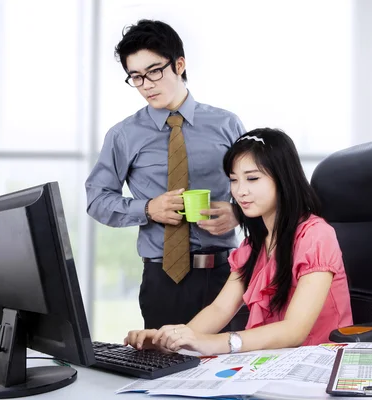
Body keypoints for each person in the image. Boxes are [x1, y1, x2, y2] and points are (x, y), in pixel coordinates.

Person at [124, 128, 353, 355]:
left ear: (283, 178)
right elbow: (220, 308)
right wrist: (171, 340)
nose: (240, 191)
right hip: (270, 363)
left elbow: (294, 331)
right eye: (234, 180)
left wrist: (213, 343)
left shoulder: (315, 236)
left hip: (318, 363)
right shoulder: (253, 245)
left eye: (252, 178)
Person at [85, 19, 247, 331]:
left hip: (225, 277)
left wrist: (238, 213)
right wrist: (147, 208)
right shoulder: (124, 135)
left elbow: (262, 190)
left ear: (179, 64)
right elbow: (97, 199)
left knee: (230, 369)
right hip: (163, 281)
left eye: (154, 71)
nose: (146, 84)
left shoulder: (227, 124)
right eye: (136, 77)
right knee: (165, 372)